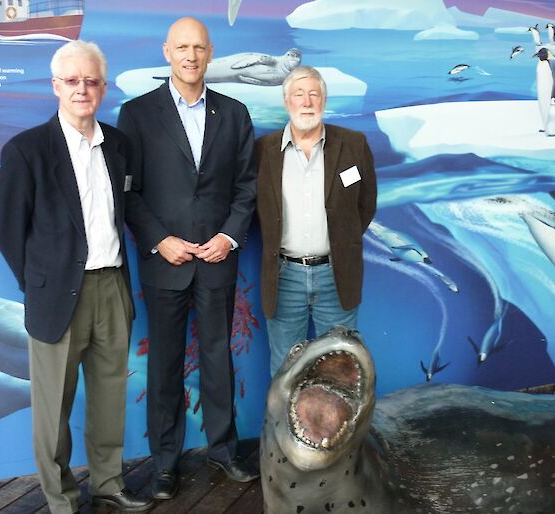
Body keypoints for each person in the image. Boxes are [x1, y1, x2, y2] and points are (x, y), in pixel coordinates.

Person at [0, 41, 153, 514]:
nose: (83, 89)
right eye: (73, 81)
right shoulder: (26, 150)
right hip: (57, 294)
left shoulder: (119, 146)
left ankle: (108, 482)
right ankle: (60, 499)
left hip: (112, 287)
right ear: (56, 86)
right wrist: (37, 282)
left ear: (102, 87)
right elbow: (7, 228)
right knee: (52, 407)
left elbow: (129, 209)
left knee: (109, 398)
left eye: (91, 81)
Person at [117, 17, 258, 500]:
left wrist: (229, 237)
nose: (191, 55)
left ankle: (222, 449)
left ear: (211, 52)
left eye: (199, 47)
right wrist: (160, 240)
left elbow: (246, 186)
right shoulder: (136, 115)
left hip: (218, 258)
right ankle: (164, 462)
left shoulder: (234, 114)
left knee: (219, 359)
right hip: (166, 262)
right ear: (167, 52)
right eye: (182, 47)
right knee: (165, 364)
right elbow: (129, 193)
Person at [256, 65, 377, 376]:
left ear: (324, 100)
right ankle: (283, 427)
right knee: (286, 369)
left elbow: (365, 205)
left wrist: (340, 243)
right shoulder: (263, 151)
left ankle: (342, 428)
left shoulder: (354, 145)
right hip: (284, 276)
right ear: (287, 102)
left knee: (341, 369)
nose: (307, 102)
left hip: (336, 275)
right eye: (299, 94)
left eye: (314, 94)